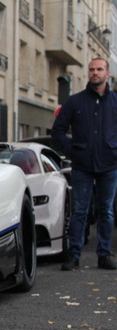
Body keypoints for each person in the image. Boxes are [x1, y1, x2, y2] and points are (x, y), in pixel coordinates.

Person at [52, 57, 117, 271]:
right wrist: (72, 150)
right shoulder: (74, 101)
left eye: (99, 69)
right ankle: (73, 255)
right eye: (91, 69)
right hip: (82, 166)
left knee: (106, 211)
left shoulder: (114, 101)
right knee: (80, 211)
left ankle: (104, 255)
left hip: (109, 165)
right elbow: (58, 131)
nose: (95, 73)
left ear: (107, 73)